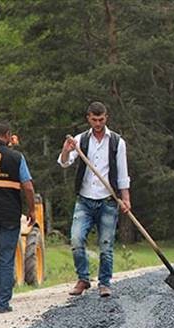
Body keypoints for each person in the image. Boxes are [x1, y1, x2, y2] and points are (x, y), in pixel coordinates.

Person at [58, 101, 131, 297]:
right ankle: (83, 279)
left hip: (108, 199)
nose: (97, 123)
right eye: (94, 119)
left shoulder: (117, 142)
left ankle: (104, 283)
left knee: (106, 244)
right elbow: (65, 163)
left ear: (106, 118)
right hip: (84, 199)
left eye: (101, 119)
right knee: (76, 239)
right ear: (88, 118)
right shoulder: (80, 140)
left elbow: (123, 173)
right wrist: (66, 149)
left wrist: (126, 199)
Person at [0, 120, 36, 313]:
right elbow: (28, 186)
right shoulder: (16, 157)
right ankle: (2, 304)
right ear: (8, 135)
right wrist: (32, 209)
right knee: (6, 258)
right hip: (9, 215)